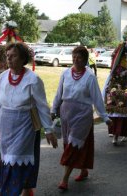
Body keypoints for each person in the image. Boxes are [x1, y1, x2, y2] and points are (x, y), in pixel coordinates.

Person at [0, 42, 58, 196]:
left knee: (17, 162)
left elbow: (42, 106)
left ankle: (10, 192)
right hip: (6, 127)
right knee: (8, 160)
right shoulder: (2, 78)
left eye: (13, 56)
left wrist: (49, 130)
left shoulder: (33, 79)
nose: (9, 59)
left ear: (23, 59)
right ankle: (27, 190)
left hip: (25, 127)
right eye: (7, 56)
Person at [51, 46, 112, 190]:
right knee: (69, 144)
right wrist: (53, 109)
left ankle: (64, 179)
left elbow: (97, 98)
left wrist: (105, 117)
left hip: (82, 114)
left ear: (85, 60)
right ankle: (83, 169)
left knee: (73, 145)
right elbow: (59, 93)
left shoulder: (90, 76)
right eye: (74, 57)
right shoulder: (65, 74)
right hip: (66, 112)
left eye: (79, 57)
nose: (75, 60)